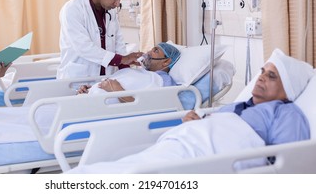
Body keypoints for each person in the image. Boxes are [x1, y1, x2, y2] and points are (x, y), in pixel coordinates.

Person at [67, 48, 314, 173]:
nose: (260, 78)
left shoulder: (286, 114)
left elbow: (288, 162)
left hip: (204, 157)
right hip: (183, 144)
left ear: (288, 89)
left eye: (271, 76)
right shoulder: (237, 106)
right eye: (261, 72)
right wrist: (193, 121)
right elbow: (211, 125)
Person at [57, 0, 143, 79]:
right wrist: (122, 59)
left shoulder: (110, 11)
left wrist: (126, 71)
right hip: (78, 80)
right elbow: (84, 47)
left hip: (105, 81)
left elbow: (118, 42)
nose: (117, 3)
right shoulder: (72, 9)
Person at [76, 42, 181, 103]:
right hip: (86, 100)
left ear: (166, 61)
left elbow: (149, 107)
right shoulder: (137, 71)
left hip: (96, 107)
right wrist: (91, 88)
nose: (148, 52)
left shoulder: (164, 81)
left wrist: (117, 90)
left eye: (155, 51)